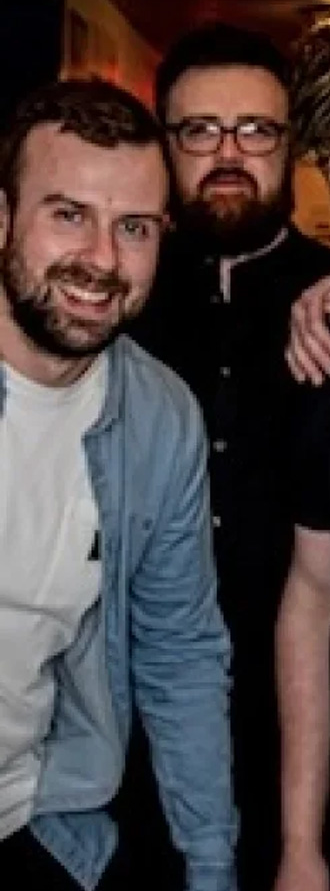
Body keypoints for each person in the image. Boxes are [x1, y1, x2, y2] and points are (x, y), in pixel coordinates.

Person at [121, 23, 330, 891]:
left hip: (317, 744)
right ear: (166, 143)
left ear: (291, 144)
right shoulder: (112, 299)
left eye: (256, 130)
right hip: (128, 747)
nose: (228, 154)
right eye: (200, 131)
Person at [0, 79, 237, 889]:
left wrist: (211, 869)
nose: (102, 259)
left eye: (133, 227)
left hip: (35, 818)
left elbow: (179, 653)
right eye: (68, 215)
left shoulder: (157, 414)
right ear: (3, 218)